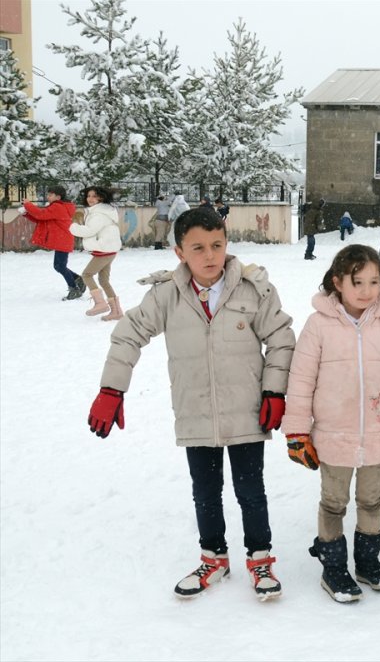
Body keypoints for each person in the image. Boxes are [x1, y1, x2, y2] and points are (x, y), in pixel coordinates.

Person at [83, 206, 296, 599]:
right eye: (198, 248)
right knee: (206, 489)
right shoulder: (166, 295)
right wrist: (112, 389)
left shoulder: (254, 289)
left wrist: (274, 390)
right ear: (180, 253)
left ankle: (260, 558)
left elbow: (281, 338)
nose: (210, 255)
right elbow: (128, 334)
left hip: (247, 411)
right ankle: (213, 556)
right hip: (194, 410)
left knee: (251, 489)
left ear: (227, 243)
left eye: (217, 245)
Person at [281, 244, 380, 603]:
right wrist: (296, 431)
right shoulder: (318, 325)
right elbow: (300, 380)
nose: (367, 291)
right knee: (333, 502)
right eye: (358, 282)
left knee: (372, 501)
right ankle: (333, 565)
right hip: (333, 436)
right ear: (337, 282)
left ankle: (367, 562)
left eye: (374, 281)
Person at [18, 185, 84, 300]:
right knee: (59, 266)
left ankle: (74, 288)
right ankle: (78, 280)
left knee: (60, 267)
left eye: (50, 195)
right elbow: (41, 219)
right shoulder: (57, 207)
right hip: (62, 239)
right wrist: (26, 213)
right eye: (48, 194)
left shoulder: (58, 207)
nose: (48, 197)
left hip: (63, 240)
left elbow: (41, 214)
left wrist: (28, 205)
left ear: (58, 197)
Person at [70, 186, 123, 321]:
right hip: (108, 249)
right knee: (104, 280)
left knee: (87, 275)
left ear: (101, 198)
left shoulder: (99, 214)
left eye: (94, 196)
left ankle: (100, 303)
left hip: (104, 249)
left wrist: (72, 226)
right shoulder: (103, 211)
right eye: (88, 196)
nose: (90, 199)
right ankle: (116, 312)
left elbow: (89, 231)